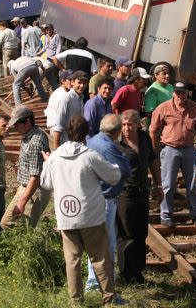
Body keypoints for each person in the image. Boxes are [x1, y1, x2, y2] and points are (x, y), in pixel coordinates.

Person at [40, 115, 127, 306]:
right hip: (90, 216)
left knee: (72, 260)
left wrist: (47, 163)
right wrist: (113, 165)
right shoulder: (89, 156)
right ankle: (109, 298)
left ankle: (76, 301)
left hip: (66, 215)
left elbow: (45, 183)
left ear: (67, 132)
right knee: (100, 257)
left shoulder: (55, 157)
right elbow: (113, 176)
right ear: (86, 133)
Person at [149, 82, 196, 228]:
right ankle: (166, 216)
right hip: (170, 149)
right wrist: (153, 149)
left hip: (189, 149)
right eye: (177, 93)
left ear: (187, 93)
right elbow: (153, 129)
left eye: (183, 92)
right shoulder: (163, 108)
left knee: (191, 186)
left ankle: (195, 216)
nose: (180, 96)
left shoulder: (194, 107)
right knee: (168, 185)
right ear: (173, 93)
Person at [84, 114, 132, 293]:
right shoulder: (109, 147)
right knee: (106, 242)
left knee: (97, 241)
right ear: (117, 131)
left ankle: (96, 281)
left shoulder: (94, 140)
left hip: (95, 196)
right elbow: (126, 170)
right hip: (106, 199)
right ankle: (100, 282)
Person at [117, 109, 160, 284]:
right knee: (126, 235)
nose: (126, 128)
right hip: (124, 193)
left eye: (130, 125)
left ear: (137, 125)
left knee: (141, 233)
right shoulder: (116, 142)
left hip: (142, 192)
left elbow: (152, 160)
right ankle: (127, 274)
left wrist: (158, 185)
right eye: (124, 125)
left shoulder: (143, 138)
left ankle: (138, 272)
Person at [0, 105, 51, 229]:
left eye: (17, 124)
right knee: (12, 223)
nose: (14, 127)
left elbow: (35, 177)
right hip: (26, 186)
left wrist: (22, 202)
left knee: (20, 226)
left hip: (34, 190)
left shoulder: (34, 142)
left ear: (27, 122)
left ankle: (31, 248)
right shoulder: (33, 134)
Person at [45, 70, 85, 149]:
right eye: (69, 80)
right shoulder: (61, 96)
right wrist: (56, 149)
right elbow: (58, 123)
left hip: (68, 132)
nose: (71, 83)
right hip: (58, 131)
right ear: (63, 81)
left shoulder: (79, 96)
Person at [36, 23, 62, 89]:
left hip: (54, 57)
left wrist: (56, 56)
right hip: (48, 58)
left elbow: (59, 47)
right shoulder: (46, 36)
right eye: (47, 30)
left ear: (52, 29)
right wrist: (39, 53)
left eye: (49, 30)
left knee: (55, 72)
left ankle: (56, 86)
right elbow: (45, 47)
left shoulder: (57, 36)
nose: (48, 32)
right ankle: (52, 85)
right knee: (49, 72)